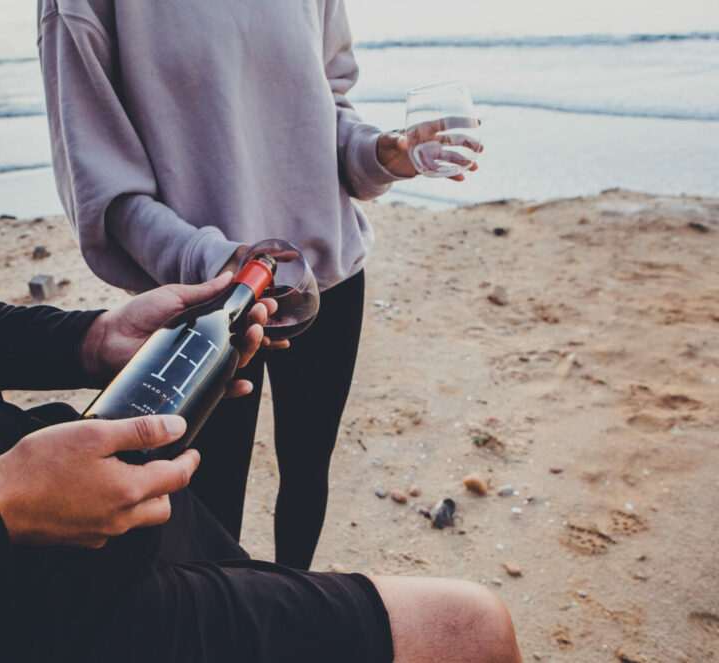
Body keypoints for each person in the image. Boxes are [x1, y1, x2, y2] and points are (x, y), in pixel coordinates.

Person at [0, 2, 518, 662]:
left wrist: (86, 339)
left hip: (296, 294)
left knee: (295, 490)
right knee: (465, 627)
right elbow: (110, 194)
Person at [39, 0, 482, 568]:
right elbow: (106, 189)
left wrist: (385, 153)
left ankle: (291, 604)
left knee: (308, 470)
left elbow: (325, 110)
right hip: (206, 303)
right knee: (206, 507)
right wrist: (218, 262)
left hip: (327, 277)